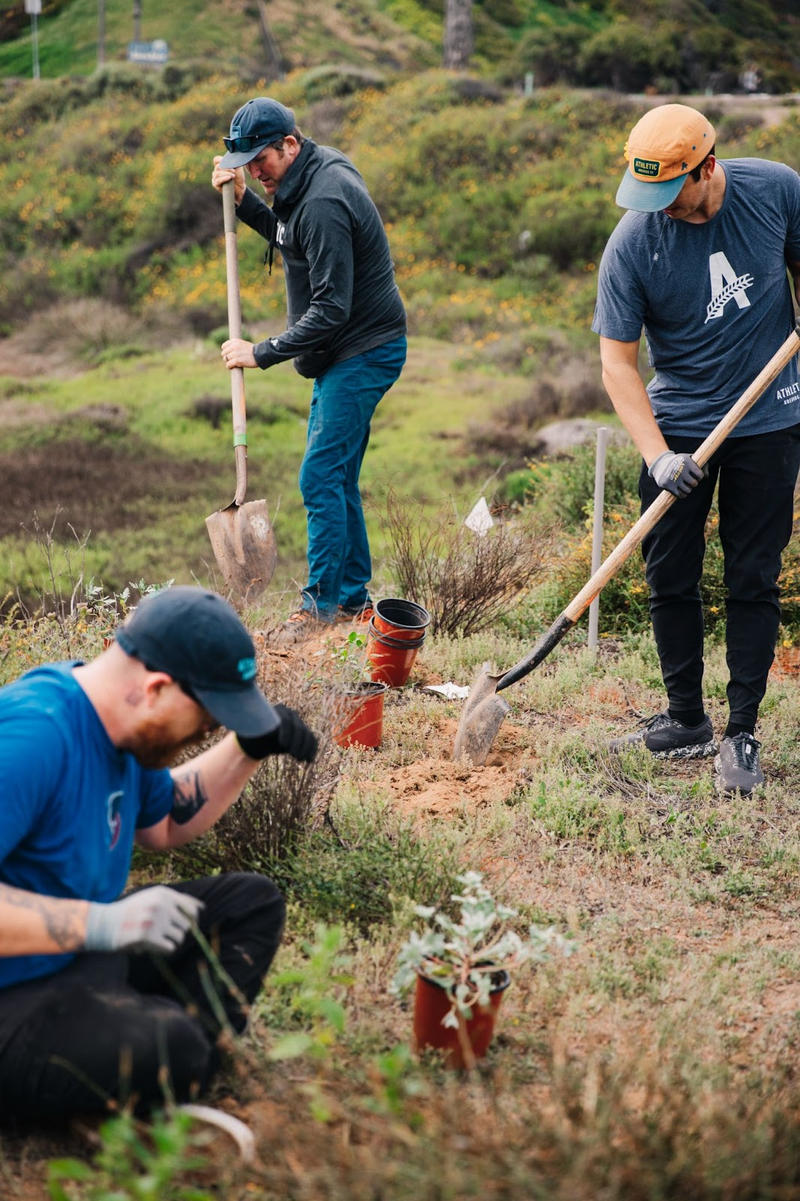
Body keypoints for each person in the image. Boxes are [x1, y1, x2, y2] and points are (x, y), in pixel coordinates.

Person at [0, 585, 317, 1120]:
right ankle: (158, 1056)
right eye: (209, 717)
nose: (209, 731)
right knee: (173, 1046)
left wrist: (247, 747)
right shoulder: (35, 737)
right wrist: (103, 925)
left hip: (76, 961)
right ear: (156, 688)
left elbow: (164, 823)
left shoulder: (122, 731)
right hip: (13, 992)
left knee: (251, 904)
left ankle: (154, 1054)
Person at [592, 103, 800, 795]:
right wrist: (658, 456)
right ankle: (686, 718)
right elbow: (617, 364)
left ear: (706, 167)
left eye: (669, 191)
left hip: (770, 416)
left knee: (752, 575)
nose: (657, 207)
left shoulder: (775, 189)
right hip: (679, 423)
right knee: (669, 573)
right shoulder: (633, 244)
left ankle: (741, 732)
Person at [211, 97, 408, 646]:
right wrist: (246, 202)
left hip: (362, 351)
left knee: (319, 476)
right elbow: (287, 237)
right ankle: (351, 600)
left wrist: (262, 352)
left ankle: (319, 608)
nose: (256, 171)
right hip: (346, 350)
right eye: (247, 164)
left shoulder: (323, 199)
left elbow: (331, 310)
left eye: (261, 161)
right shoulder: (308, 176)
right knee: (337, 475)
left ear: (290, 144)